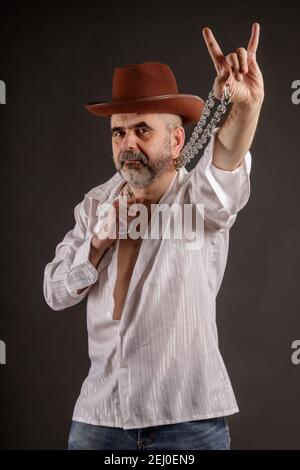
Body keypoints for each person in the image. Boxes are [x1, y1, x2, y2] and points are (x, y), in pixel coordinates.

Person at [43, 23, 264, 450]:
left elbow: (226, 163)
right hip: (99, 420)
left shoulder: (198, 201)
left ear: (177, 139)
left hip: (188, 421)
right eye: (119, 132)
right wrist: (96, 245)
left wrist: (246, 110)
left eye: (142, 130)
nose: (128, 144)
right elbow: (54, 292)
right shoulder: (95, 204)